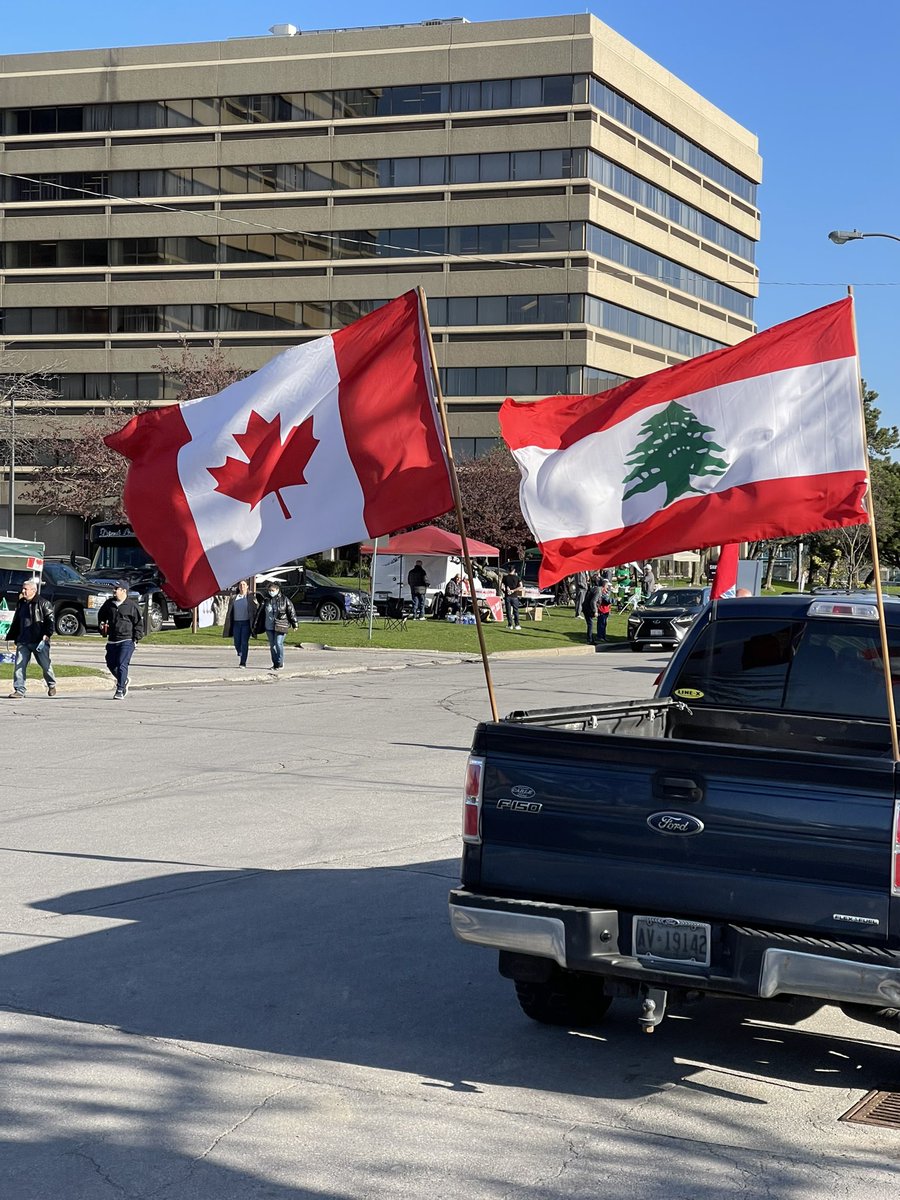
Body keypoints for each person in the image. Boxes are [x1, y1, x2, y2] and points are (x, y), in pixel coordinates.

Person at [5, 578, 57, 699]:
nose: (23, 591)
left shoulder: (43, 603)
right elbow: (17, 621)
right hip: (23, 640)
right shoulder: (21, 603)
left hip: (39, 641)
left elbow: (50, 620)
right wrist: (15, 636)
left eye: (25, 589)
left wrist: (47, 634)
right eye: (22, 588)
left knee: (45, 665)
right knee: (19, 665)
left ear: (33, 590)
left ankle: (51, 685)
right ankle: (19, 689)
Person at [97, 582, 145, 699]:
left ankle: (120, 689)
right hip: (112, 639)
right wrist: (102, 626)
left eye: (116, 589)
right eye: (114, 589)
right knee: (110, 663)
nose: (114, 591)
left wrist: (136, 638)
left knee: (122, 663)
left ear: (124, 591)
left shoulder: (132, 606)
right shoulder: (109, 604)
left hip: (127, 640)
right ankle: (123, 679)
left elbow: (138, 624)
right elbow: (101, 616)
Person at [252, 580, 297, 670]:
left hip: (281, 625)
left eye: (273, 590)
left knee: (278, 643)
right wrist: (255, 625)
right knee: (272, 645)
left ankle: (280, 663)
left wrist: (295, 623)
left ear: (277, 590)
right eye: (269, 590)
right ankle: (275, 664)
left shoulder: (284, 599)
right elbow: (260, 613)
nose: (271, 592)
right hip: (269, 626)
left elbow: (291, 611)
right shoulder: (266, 600)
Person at [223, 579, 258, 667]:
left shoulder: (250, 597)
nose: (242, 586)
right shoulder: (234, 597)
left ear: (247, 586)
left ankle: (243, 662)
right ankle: (240, 652)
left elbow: (255, 609)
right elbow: (230, 611)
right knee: (236, 642)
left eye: (244, 585)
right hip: (236, 623)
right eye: (240, 585)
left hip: (246, 623)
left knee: (244, 642)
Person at [501, 563, 524, 630]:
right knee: (516, 611)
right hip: (514, 596)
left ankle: (510, 625)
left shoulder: (505, 577)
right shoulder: (517, 577)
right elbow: (521, 586)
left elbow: (501, 586)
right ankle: (517, 625)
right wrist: (513, 590)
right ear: (514, 570)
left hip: (507, 596)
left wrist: (505, 590)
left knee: (508, 611)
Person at [582, 575, 601, 644]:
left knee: (590, 624)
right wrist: (595, 611)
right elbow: (593, 601)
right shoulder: (598, 590)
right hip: (587, 608)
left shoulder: (593, 588)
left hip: (585, 607)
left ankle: (591, 639)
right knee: (590, 624)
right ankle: (589, 639)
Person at [597, 577, 612, 642]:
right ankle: (600, 636)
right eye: (607, 585)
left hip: (606, 610)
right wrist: (615, 600)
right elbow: (606, 600)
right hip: (602, 610)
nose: (608, 586)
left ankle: (603, 636)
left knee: (604, 624)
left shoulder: (606, 591)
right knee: (601, 624)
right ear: (604, 585)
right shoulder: (602, 591)